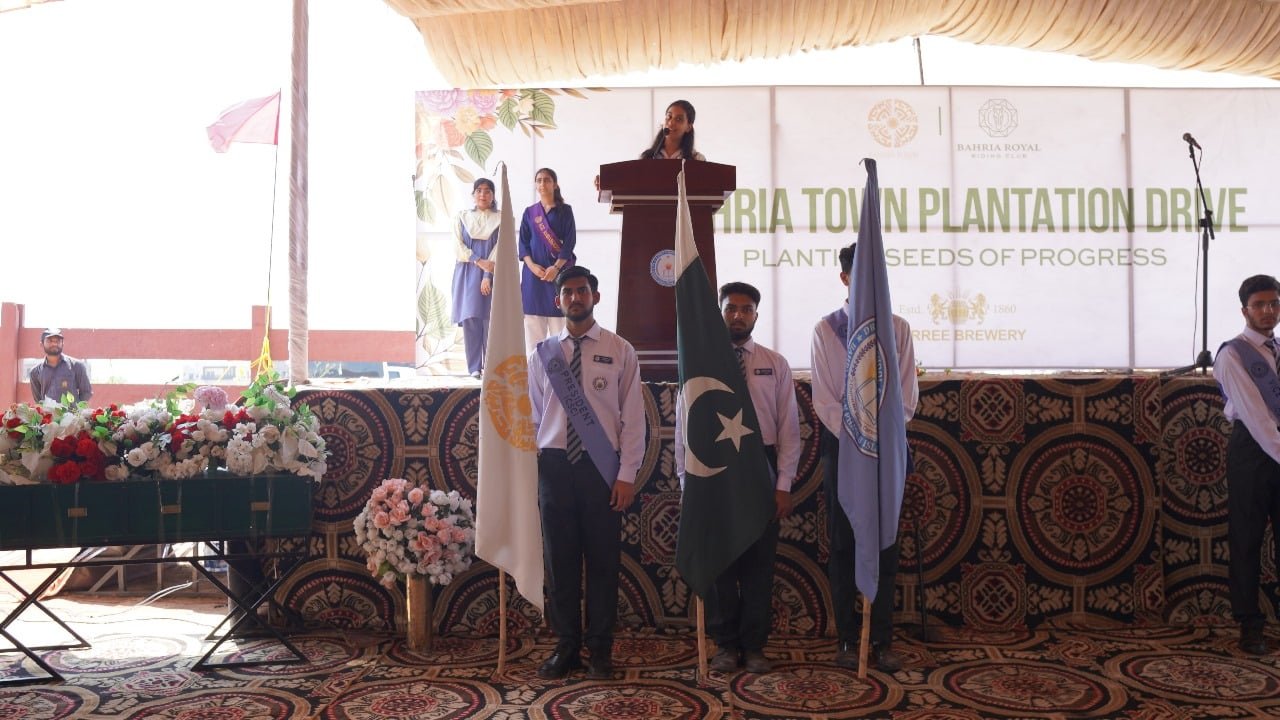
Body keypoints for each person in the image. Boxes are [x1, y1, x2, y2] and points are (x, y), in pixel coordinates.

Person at [674, 281, 801, 673]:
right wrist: (688, 484)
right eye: (731, 308)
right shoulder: (702, 364)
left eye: (746, 310)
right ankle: (726, 644)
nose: (738, 316)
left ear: (756, 316)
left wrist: (783, 485)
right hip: (714, 469)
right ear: (720, 313)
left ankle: (754, 645)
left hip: (760, 468)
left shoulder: (775, 363)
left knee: (758, 565)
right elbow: (683, 429)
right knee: (721, 563)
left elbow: (789, 431)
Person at [527, 265, 644, 681]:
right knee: (559, 562)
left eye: (582, 291)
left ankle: (600, 650)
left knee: (602, 563)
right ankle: (566, 646)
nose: (575, 298)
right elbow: (535, 416)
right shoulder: (542, 354)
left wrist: (626, 474)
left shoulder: (620, 350)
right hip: (555, 466)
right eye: (568, 292)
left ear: (595, 296)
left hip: (603, 470)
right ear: (557, 300)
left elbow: (633, 418)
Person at [810, 243, 918, 673]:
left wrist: (879, 438)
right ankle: (846, 638)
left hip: (887, 448)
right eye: (862, 274)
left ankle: (882, 639)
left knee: (885, 543)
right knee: (843, 544)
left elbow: (906, 397)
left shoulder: (898, 329)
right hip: (844, 450)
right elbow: (824, 399)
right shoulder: (826, 330)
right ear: (845, 278)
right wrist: (859, 440)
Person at [1213, 273, 1280, 656]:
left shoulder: (1278, 349)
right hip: (1252, 451)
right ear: (1244, 310)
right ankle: (1249, 627)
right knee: (1247, 538)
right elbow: (1256, 417)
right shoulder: (1232, 354)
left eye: (1274, 303)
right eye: (1259, 305)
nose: (1268, 311)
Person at [518, 168, 576, 355]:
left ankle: (561, 370)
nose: (542, 184)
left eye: (547, 180)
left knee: (560, 331)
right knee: (533, 332)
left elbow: (569, 243)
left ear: (555, 184)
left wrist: (556, 268)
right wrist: (531, 266)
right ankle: (535, 370)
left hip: (558, 276)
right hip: (533, 278)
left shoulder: (565, 211)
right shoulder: (530, 212)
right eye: (539, 180)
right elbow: (523, 243)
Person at [452, 178, 501, 378]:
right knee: (471, 318)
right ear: (473, 194)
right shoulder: (462, 217)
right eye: (479, 190)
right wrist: (478, 261)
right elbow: (458, 246)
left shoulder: (501, 219)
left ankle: (490, 367)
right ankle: (474, 368)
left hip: (493, 271)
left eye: (487, 191)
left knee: (490, 319)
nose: (483, 194)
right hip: (467, 272)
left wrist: (488, 275)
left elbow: (500, 248)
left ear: (493, 195)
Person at [29, 328, 92, 404]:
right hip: (48, 412)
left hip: (72, 412)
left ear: (62, 344)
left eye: (58, 341)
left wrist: (76, 409)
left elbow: (86, 392)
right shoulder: (35, 371)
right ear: (41, 344)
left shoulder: (76, 366)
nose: (54, 344)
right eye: (50, 341)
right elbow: (38, 400)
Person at [641, 99, 706, 161]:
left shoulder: (697, 159)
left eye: (678, 119)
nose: (671, 123)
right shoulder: (647, 157)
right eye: (669, 117)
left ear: (688, 127)